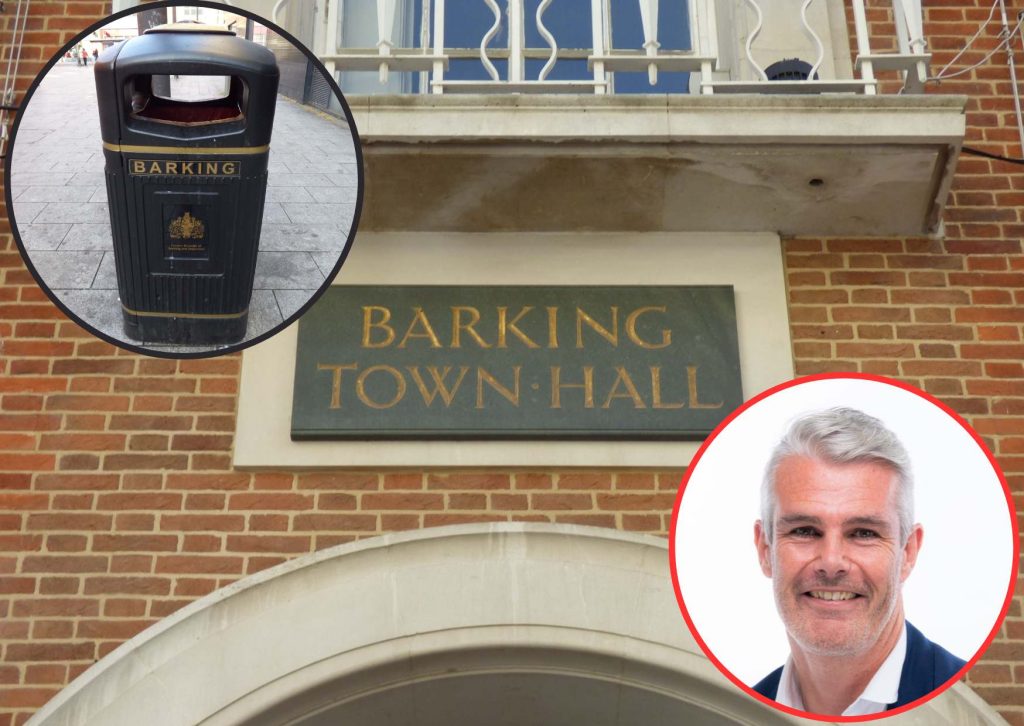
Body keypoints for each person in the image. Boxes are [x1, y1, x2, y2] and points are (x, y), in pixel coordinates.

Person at [752, 407, 965, 716]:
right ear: (764, 549)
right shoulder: (731, 713)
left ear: (908, 552)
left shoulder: (968, 704)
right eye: (805, 531)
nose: (831, 561)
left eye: (863, 533)